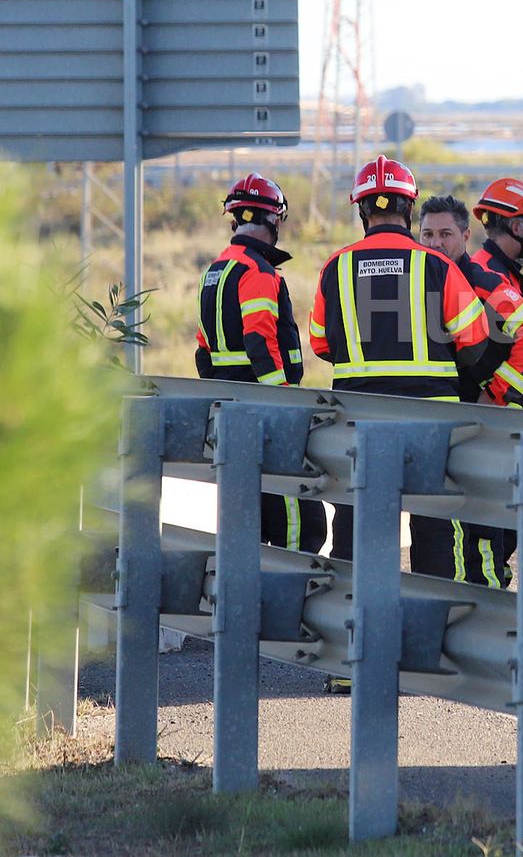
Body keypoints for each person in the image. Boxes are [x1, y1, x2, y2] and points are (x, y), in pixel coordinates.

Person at [308, 155, 490, 577]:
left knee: (356, 530)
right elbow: (476, 341)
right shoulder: (438, 265)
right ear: (410, 209)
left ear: (362, 211)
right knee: (434, 533)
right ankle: (434, 628)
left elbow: (320, 343)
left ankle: (356, 629)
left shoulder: (336, 267)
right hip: (432, 423)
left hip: (357, 423)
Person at [418, 185, 523, 586]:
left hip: (486, 424)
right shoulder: (462, 273)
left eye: (445, 235)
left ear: (464, 235)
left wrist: (493, 397)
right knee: (474, 536)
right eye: (427, 235)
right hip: (466, 426)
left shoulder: (479, 277)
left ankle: (486, 618)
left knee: (489, 534)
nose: (435, 243)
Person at [195, 174, 324, 554]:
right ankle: (293, 595)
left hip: (231, 412)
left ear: (235, 220)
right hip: (267, 413)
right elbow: (259, 340)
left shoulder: (214, 271)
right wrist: (282, 400)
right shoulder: (256, 272)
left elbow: (204, 352)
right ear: (275, 220)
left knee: (246, 518)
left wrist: (221, 397)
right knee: (297, 523)